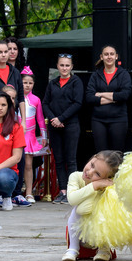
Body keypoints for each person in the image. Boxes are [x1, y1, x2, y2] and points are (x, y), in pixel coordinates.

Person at [62, 150, 123, 261]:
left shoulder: (108, 187)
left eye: (97, 174)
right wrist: (94, 185)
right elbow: (72, 199)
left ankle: (104, 249)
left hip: (100, 234)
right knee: (77, 210)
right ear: (92, 158)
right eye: (92, 165)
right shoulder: (76, 176)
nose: (90, 172)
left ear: (107, 178)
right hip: (79, 234)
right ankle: (73, 248)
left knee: (105, 210)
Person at [43, 54, 84, 205]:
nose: (64, 68)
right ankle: (62, 191)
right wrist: (53, 119)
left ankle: (72, 192)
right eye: (62, 65)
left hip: (70, 125)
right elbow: (45, 103)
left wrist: (61, 118)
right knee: (59, 160)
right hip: (54, 126)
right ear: (57, 66)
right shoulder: (52, 83)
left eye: (67, 65)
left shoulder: (76, 82)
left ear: (71, 67)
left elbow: (78, 103)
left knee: (70, 159)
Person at [86, 45, 131, 152]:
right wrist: (114, 98)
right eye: (106, 54)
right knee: (101, 154)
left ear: (116, 56)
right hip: (98, 120)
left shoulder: (123, 74)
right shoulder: (95, 75)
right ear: (101, 57)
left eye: (112, 54)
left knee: (117, 154)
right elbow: (89, 97)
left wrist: (101, 94)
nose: (109, 57)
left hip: (118, 119)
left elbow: (125, 95)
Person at [21, 67, 47, 204]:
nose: (27, 85)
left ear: (34, 84)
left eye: (30, 83)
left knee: (28, 165)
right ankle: (13, 193)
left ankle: (29, 192)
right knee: (15, 164)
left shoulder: (36, 99)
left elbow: (40, 119)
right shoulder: (15, 98)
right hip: (16, 134)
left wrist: (44, 136)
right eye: (25, 82)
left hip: (29, 135)